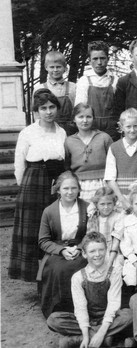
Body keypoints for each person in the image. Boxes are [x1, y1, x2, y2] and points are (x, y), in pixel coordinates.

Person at [9, 89, 66, 282]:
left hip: (56, 180)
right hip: (34, 180)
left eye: (52, 107)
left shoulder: (62, 131)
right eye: (43, 108)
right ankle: (31, 273)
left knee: (53, 226)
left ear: (57, 109)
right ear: (37, 111)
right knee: (33, 228)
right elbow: (19, 162)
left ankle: (51, 272)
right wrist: (24, 185)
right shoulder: (28, 132)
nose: (48, 112)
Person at [46, 232, 132, 348]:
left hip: (108, 318)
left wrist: (101, 333)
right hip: (87, 318)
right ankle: (100, 339)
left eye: (101, 250)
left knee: (129, 315)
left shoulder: (114, 273)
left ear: (106, 250)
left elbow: (113, 304)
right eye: (92, 251)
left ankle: (78, 339)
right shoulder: (78, 277)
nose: (97, 254)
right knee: (53, 319)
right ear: (85, 254)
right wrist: (86, 335)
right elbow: (80, 308)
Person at [37, 171, 89, 318]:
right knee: (59, 269)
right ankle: (60, 310)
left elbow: (90, 233)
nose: (70, 192)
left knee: (83, 266)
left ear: (79, 189)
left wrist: (79, 248)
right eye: (66, 188)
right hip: (58, 250)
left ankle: (84, 308)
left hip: (82, 248)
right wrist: (61, 250)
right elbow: (43, 240)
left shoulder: (87, 207)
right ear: (58, 190)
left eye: (74, 188)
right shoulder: (49, 211)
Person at [104, 108, 137, 211]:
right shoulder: (114, 148)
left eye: (135, 126)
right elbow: (110, 178)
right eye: (128, 126)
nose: (132, 130)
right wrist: (122, 199)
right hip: (121, 198)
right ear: (121, 127)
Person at [64, 103, 113, 202]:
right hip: (80, 185)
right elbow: (66, 166)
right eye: (80, 117)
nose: (85, 120)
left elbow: (114, 162)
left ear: (93, 118)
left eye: (88, 117)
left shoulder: (104, 138)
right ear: (74, 119)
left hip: (103, 183)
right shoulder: (69, 141)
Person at [75, 41, 119, 140]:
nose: (99, 62)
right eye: (95, 59)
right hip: (91, 129)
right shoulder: (84, 81)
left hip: (112, 130)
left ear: (108, 59)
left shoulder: (115, 80)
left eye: (102, 58)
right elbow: (79, 110)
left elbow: (120, 108)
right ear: (89, 61)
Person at [33, 51, 76, 135]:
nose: (55, 70)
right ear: (46, 67)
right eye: (52, 67)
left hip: (71, 131)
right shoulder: (40, 88)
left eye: (58, 67)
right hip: (49, 130)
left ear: (65, 68)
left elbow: (78, 111)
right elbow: (37, 115)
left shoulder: (73, 87)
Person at [86, 187, 124, 267]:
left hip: (113, 251)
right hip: (96, 248)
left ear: (114, 203)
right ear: (96, 205)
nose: (106, 207)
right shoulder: (93, 217)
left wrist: (110, 260)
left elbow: (116, 240)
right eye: (102, 204)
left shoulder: (118, 217)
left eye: (109, 203)